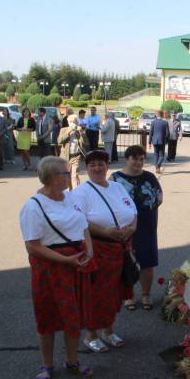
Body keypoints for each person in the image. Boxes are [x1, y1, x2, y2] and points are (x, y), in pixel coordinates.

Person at [18, 155, 95, 379]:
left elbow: (84, 225)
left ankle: (72, 361)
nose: (69, 175)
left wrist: (89, 250)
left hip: (76, 263)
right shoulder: (33, 206)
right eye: (65, 172)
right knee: (48, 316)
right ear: (52, 178)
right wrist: (66, 260)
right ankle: (47, 364)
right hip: (50, 268)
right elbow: (32, 246)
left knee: (74, 315)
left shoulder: (70, 197)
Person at [72, 150, 137, 352]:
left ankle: (108, 330)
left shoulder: (117, 187)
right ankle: (90, 334)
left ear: (107, 166)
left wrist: (132, 227)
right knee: (96, 293)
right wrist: (105, 232)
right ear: (87, 168)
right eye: (93, 165)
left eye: (101, 164)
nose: (97, 168)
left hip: (121, 247)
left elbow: (133, 211)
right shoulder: (81, 192)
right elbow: (80, 221)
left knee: (115, 292)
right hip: (98, 248)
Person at [110, 145, 162, 311]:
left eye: (141, 159)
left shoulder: (150, 177)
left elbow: (158, 199)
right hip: (123, 227)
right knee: (126, 261)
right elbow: (109, 203)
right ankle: (129, 294)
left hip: (146, 225)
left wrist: (154, 224)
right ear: (127, 159)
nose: (138, 162)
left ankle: (146, 294)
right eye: (135, 159)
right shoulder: (115, 178)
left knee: (147, 262)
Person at [57, 115, 89, 190]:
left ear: (76, 122)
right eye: (70, 122)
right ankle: (68, 192)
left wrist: (81, 132)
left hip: (76, 156)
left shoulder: (79, 131)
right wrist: (68, 132)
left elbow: (86, 143)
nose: (72, 123)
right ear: (68, 122)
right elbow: (59, 141)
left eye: (74, 122)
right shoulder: (64, 130)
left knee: (74, 175)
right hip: (65, 157)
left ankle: (76, 193)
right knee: (67, 175)